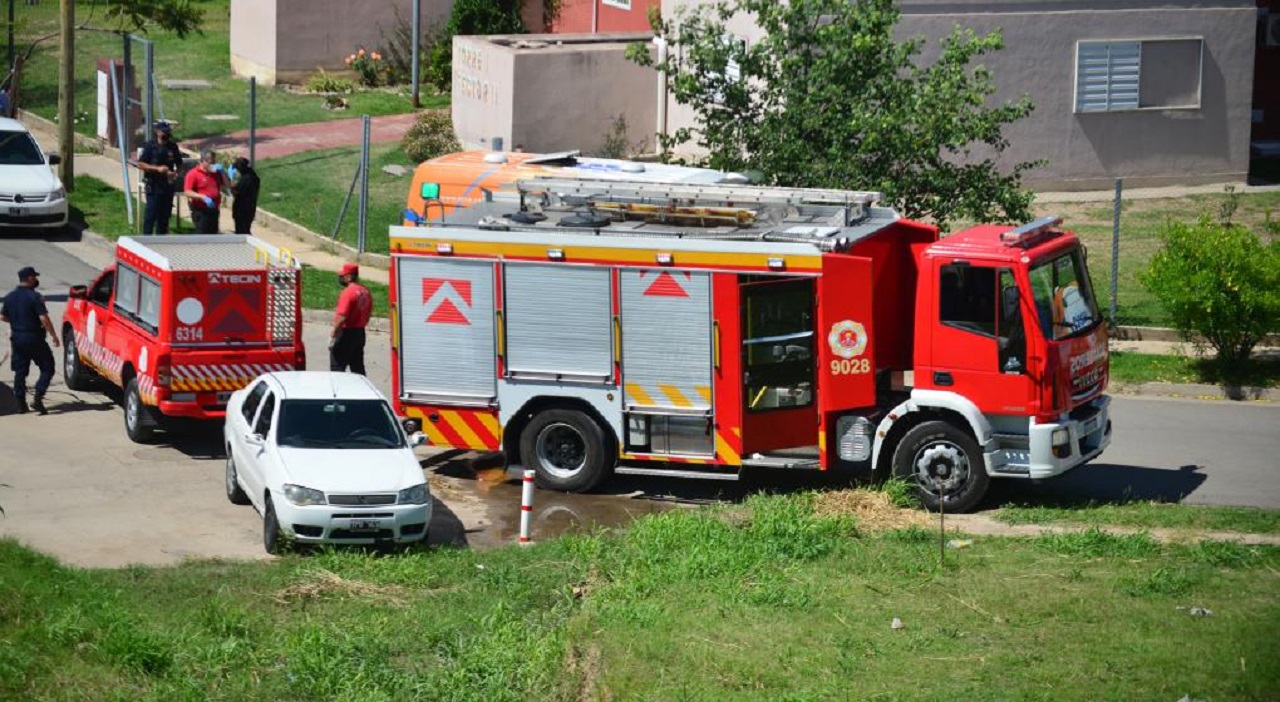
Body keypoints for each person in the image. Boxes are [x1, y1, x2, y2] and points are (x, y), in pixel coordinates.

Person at [1, 267, 60, 415]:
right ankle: (38, 397)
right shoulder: (35, 297)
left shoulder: (9, 297)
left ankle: (21, 403)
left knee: (20, 372)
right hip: (34, 337)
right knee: (48, 367)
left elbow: (2, 316)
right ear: (29, 278)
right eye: (34, 277)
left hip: (18, 338)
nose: (36, 279)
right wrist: (54, 335)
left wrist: (16, 322)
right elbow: (44, 319)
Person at [136, 120, 183, 234]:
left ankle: (161, 241)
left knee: (164, 217)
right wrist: (157, 169)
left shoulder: (172, 147)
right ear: (157, 132)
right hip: (154, 185)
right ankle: (146, 241)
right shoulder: (150, 146)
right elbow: (140, 164)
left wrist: (175, 173)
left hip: (167, 186)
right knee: (150, 216)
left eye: (168, 132)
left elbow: (180, 165)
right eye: (164, 132)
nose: (166, 135)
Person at [330, 262, 372, 375]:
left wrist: (333, 335)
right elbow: (368, 314)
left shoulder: (348, 293)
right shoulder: (365, 291)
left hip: (346, 334)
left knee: (337, 367)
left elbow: (342, 317)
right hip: (359, 333)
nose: (341, 278)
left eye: (342, 276)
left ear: (349, 277)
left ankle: (339, 392)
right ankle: (362, 390)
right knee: (357, 366)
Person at [182, 150, 227, 233]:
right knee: (202, 234)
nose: (213, 164)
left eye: (214, 162)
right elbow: (187, 191)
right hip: (201, 210)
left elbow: (227, 184)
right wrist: (203, 197)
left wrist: (223, 172)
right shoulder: (193, 174)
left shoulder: (216, 173)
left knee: (213, 234)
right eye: (211, 162)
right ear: (203, 161)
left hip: (214, 209)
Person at [229, 157, 260, 234]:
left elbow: (236, 192)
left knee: (242, 233)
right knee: (246, 229)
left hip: (242, 211)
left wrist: (230, 181)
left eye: (237, 169)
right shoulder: (254, 177)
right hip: (250, 209)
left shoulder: (246, 180)